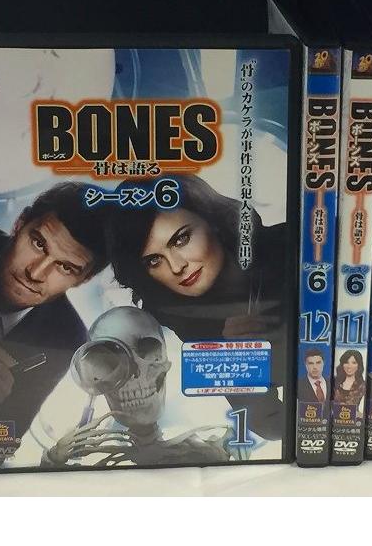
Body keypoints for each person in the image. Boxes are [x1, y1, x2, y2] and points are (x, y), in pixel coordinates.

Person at [107, 175, 288, 439]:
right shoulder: (181, 314)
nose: (177, 266)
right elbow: (269, 426)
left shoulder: (294, 247)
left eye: (181, 239)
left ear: (213, 221)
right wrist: (236, 359)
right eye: (154, 260)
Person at [0, 182, 109, 467]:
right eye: (38, 243)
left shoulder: (66, 338)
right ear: (18, 224)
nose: (35, 273)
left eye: (66, 267)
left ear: (82, 280)